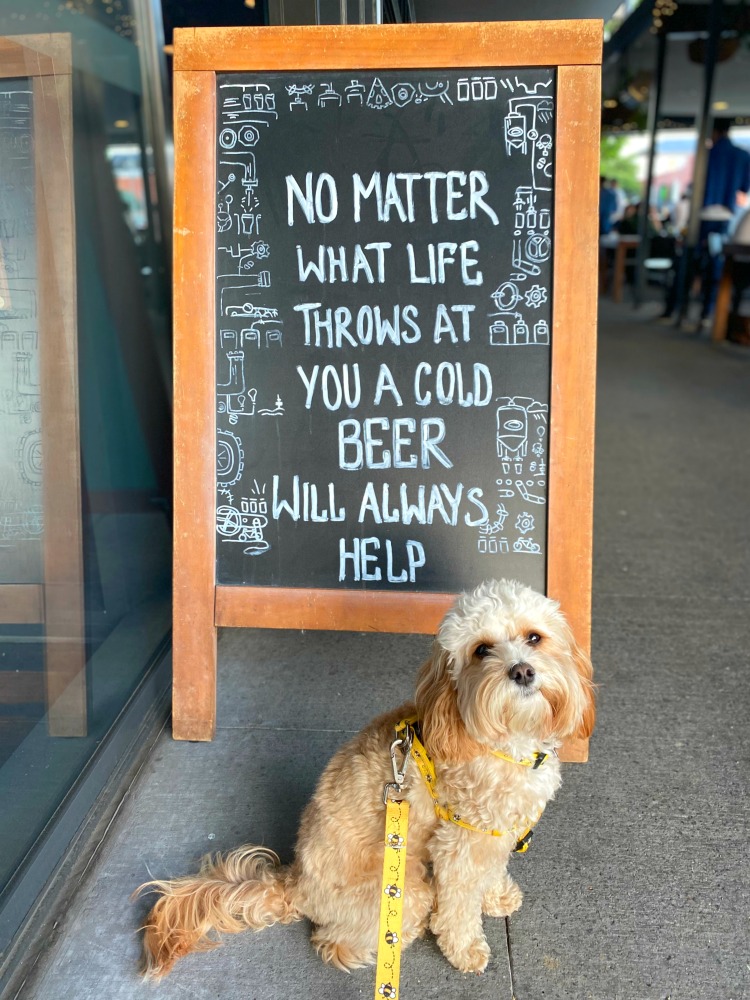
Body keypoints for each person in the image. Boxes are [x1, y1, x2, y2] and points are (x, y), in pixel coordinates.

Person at [696, 118, 750, 325]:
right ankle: (708, 312)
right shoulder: (743, 155)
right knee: (716, 264)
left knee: (698, 262)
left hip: (703, 216)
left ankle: (701, 309)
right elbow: (743, 189)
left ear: (714, 132)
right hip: (726, 216)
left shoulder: (708, 155)